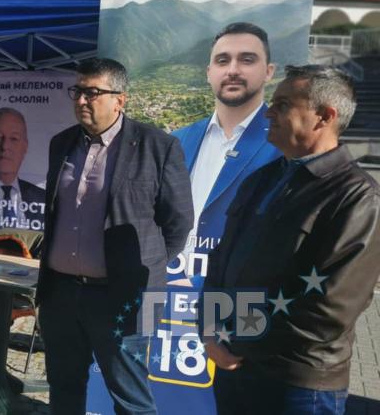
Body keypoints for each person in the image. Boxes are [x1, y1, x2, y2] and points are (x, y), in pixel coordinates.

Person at [202, 65, 380, 415]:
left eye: (283, 104)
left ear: (324, 116)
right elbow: (221, 261)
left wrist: (237, 340)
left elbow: (329, 306)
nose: (268, 112)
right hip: (235, 366)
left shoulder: (357, 197)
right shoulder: (264, 179)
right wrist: (211, 330)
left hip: (296, 382)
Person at [35, 58, 193, 414]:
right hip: (61, 294)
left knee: (131, 398)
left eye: (92, 92)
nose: (81, 100)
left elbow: (179, 223)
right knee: (63, 388)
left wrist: (140, 267)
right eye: (77, 91)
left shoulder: (158, 147)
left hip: (125, 297)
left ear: (120, 99)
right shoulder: (61, 143)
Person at [169, 22, 282, 287]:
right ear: (209, 73)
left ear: (268, 72)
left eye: (247, 60)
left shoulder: (285, 146)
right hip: (168, 292)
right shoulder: (177, 141)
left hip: (240, 300)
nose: (232, 70)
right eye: (222, 60)